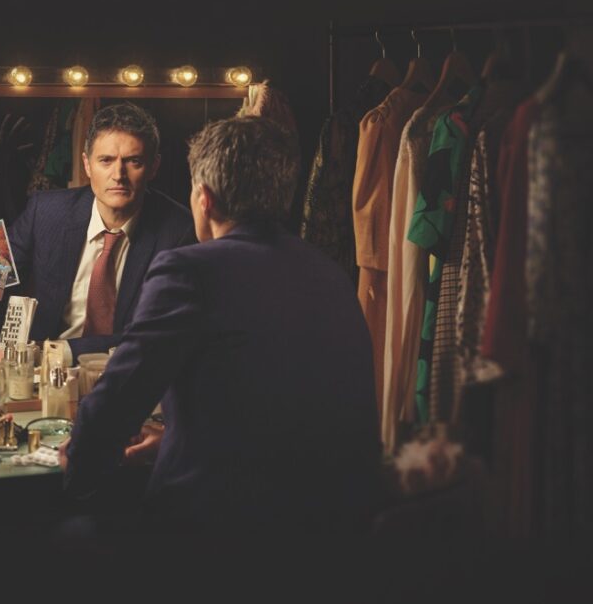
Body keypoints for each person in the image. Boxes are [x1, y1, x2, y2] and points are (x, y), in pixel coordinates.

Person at [59, 116, 381, 541]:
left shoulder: (190, 269)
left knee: (67, 535)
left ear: (203, 198)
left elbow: (118, 400)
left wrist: (77, 470)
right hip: (336, 530)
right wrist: (175, 436)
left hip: (224, 534)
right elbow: (281, 404)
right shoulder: (331, 273)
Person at [0, 103, 195, 366]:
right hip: (38, 376)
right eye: (106, 160)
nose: (118, 175)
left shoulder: (179, 230)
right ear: (87, 165)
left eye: (133, 161)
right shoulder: (44, 209)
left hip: (130, 371)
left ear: (154, 167)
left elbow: (157, 334)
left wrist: (60, 352)